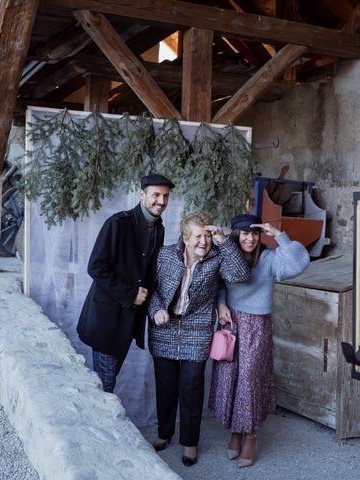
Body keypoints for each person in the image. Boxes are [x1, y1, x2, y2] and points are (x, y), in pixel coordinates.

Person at [148, 212, 250, 467]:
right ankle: (164, 432)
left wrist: (223, 241)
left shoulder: (216, 258)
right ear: (185, 238)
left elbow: (241, 275)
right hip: (164, 328)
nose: (203, 241)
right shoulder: (165, 255)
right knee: (166, 387)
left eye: (207, 235)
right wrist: (156, 309)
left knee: (191, 388)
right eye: (198, 236)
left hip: (197, 329)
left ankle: (190, 442)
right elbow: (152, 290)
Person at [209, 213, 310, 468]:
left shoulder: (268, 257)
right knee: (230, 378)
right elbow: (219, 283)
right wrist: (221, 304)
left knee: (250, 381)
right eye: (244, 233)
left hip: (257, 325)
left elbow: (299, 265)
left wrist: (280, 236)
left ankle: (250, 435)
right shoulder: (227, 254)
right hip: (231, 322)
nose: (250, 238)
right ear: (235, 234)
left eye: (254, 233)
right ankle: (235, 430)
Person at [77, 173, 174, 393]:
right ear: (142, 195)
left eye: (166, 196)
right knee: (105, 385)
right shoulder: (118, 223)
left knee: (108, 381)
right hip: (107, 320)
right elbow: (96, 267)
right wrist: (131, 294)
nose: (161, 201)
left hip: (129, 321)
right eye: (156, 195)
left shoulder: (159, 229)